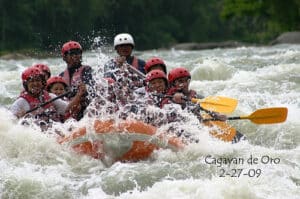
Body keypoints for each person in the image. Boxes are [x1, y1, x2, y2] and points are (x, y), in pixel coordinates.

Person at [10, 66, 86, 130]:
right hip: (38, 137)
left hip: (54, 132)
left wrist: (79, 95)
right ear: (26, 84)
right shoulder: (21, 102)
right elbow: (8, 124)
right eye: (32, 81)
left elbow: (67, 109)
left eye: (38, 80)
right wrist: (18, 118)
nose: (36, 84)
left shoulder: (50, 96)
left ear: (42, 82)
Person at [60, 40, 95, 120]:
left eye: (78, 53)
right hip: (69, 107)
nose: (76, 56)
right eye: (72, 53)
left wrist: (83, 88)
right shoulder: (61, 76)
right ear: (64, 57)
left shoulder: (87, 70)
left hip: (83, 106)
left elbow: (89, 88)